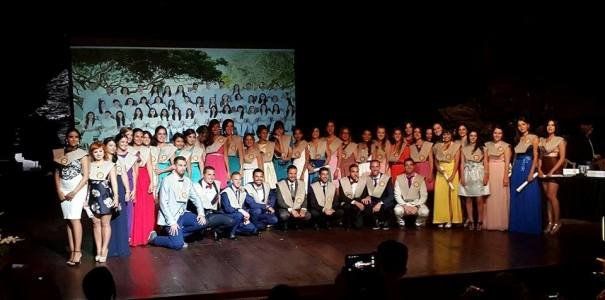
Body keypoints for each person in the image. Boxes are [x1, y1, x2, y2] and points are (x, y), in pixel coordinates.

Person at [148, 156, 207, 250]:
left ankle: (178, 234)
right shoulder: (167, 180)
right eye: (180, 165)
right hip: (171, 217)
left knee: (203, 222)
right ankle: (154, 239)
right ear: (174, 166)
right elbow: (163, 203)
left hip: (182, 214)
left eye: (184, 165)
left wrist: (201, 213)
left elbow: (196, 198)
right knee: (177, 245)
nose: (183, 168)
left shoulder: (187, 180)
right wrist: (172, 222)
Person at [53, 128, 89, 266]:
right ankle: (72, 251)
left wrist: (74, 192)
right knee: (68, 220)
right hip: (64, 188)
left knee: (74, 219)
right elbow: (57, 173)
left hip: (77, 189)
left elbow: (85, 176)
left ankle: (78, 252)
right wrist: (59, 191)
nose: (73, 139)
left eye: (76, 137)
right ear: (66, 138)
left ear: (79, 139)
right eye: (70, 136)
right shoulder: (60, 153)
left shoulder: (82, 154)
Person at [87, 141, 119, 263]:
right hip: (93, 197)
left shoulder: (110, 164)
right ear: (92, 153)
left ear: (104, 151)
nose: (98, 153)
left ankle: (104, 249)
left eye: (100, 151)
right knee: (96, 224)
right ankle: (98, 249)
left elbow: (114, 182)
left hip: (106, 197)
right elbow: (87, 184)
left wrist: (116, 197)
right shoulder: (89, 165)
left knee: (105, 224)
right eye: (96, 151)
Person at [509, 117, 542, 234]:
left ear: (528, 125)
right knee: (517, 196)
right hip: (517, 168)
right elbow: (515, 157)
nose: (521, 127)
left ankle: (529, 226)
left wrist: (532, 172)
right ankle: (518, 225)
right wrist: (512, 170)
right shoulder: (518, 139)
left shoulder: (534, 137)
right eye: (519, 125)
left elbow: (536, 156)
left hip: (528, 167)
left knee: (529, 195)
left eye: (523, 124)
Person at [192, 166, 236, 240]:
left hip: (216, 212)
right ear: (203, 175)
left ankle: (213, 229)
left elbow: (225, 189)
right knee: (230, 220)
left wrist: (238, 187)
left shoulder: (217, 183)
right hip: (203, 214)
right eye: (209, 174)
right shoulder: (196, 186)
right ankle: (207, 229)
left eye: (213, 174)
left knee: (232, 221)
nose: (212, 177)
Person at [539, 119, 566, 234]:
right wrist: (539, 169)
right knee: (547, 197)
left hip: (555, 169)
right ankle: (550, 222)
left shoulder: (560, 140)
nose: (550, 127)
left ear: (556, 127)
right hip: (544, 169)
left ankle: (557, 222)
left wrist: (552, 171)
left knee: (552, 196)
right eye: (548, 125)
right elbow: (540, 157)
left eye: (552, 125)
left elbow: (562, 158)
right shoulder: (542, 140)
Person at [459, 130, 490, 230]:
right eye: (471, 136)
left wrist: (486, 176)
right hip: (468, 173)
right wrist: (462, 177)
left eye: (475, 136)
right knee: (468, 198)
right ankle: (471, 221)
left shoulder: (483, 148)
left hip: (478, 173)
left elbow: (486, 163)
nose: (473, 137)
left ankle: (480, 221)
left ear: (477, 137)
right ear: (468, 137)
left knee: (479, 199)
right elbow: (462, 163)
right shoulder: (464, 148)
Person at [484, 126, 511, 231]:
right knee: (490, 197)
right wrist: (486, 175)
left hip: (501, 172)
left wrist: (505, 177)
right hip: (490, 172)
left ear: (502, 134)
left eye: (499, 133)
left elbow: (507, 162)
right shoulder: (487, 145)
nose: (497, 135)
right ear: (492, 133)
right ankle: (490, 223)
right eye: (495, 133)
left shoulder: (506, 146)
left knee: (501, 197)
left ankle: (501, 223)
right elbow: (485, 161)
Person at [220, 172, 258, 238]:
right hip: (228, 216)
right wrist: (241, 211)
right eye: (236, 179)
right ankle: (231, 233)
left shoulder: (242, 191)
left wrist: (266, 206)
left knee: (253, 229)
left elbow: (251, 203)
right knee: (239, 215)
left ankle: (229, 230)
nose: (238, 181)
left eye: (240, 179)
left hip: (239, 217)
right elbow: (227, 209)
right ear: (231, 181)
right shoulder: (225, 192)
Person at [394, 159, 429, 228]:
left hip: (416, 203)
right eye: (406, 165)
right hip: (404, 203)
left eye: (411, 164)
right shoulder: (399, 178)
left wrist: (416, 206)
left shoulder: (420, 178)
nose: (409, 167)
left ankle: (418, 223)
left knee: (425, 212)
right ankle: (401, 223)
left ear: (414, 166)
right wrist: (405, 206)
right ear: (404, 167)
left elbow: (424, 195)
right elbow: (397, 195)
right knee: (397, 210)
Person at [275, 165, 311, 230]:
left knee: (308, 215)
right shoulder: (280, 184)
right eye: (291, 173)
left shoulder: (301, 183)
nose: (293, 176)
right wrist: (291, 210)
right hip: (286, 208)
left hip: (298, 207)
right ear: (287, 173)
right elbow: (280, 201)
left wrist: (303, 209)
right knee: (284, 215)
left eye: (295, 173)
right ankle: (285, 224)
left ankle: (297, 223)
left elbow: (304, 198)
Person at [365, 160, 395, 230]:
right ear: (370, 168)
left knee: (389, 203)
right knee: (366, 204)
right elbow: (365, 193)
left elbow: (391, 195)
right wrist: (367, 196)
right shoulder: (367, 179)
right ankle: (375, 221)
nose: (375, 169)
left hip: (383, 202)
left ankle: (385, 221)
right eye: (372, 167)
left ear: (379, 167)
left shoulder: (386, 178)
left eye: (377, 166)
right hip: (373, 201)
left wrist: (380, 203)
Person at [338, 164, 370, 229]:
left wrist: (367, 197)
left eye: (357, 171)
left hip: (358, 203)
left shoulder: (363, 181)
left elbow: (366, 194)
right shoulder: (343, 180)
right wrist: (355, 202)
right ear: (349, 172)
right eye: (353, 171)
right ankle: (347, 222)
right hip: (347, 202)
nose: (355, 174)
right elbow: (342, 197)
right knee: (348, 206)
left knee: (359, 226)